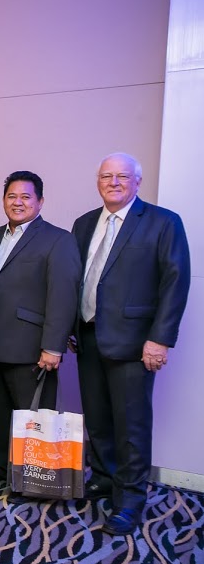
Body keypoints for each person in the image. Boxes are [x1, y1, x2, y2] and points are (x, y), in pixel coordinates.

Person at [72, 153, 190, 535]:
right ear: (98, 181)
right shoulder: (84, 223)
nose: (114, 182)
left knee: (131, 426)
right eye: (107, 176)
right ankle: (105, 477)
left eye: (123, 176)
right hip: (88, 337)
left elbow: (175, 282)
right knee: (100, 419)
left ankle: (131, 498)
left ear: (138, 181)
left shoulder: (162, 222)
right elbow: (79, 277)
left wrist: (160, 339)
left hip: (136, 343)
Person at [0, 171, 81, 489]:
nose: (17, 202)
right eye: (11, 196)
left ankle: (34, 479)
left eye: (25, 197)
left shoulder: (58, 239)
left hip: (31, 346)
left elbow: (63, 295)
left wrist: (53, 346)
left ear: (40, 202)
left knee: (33, 415)